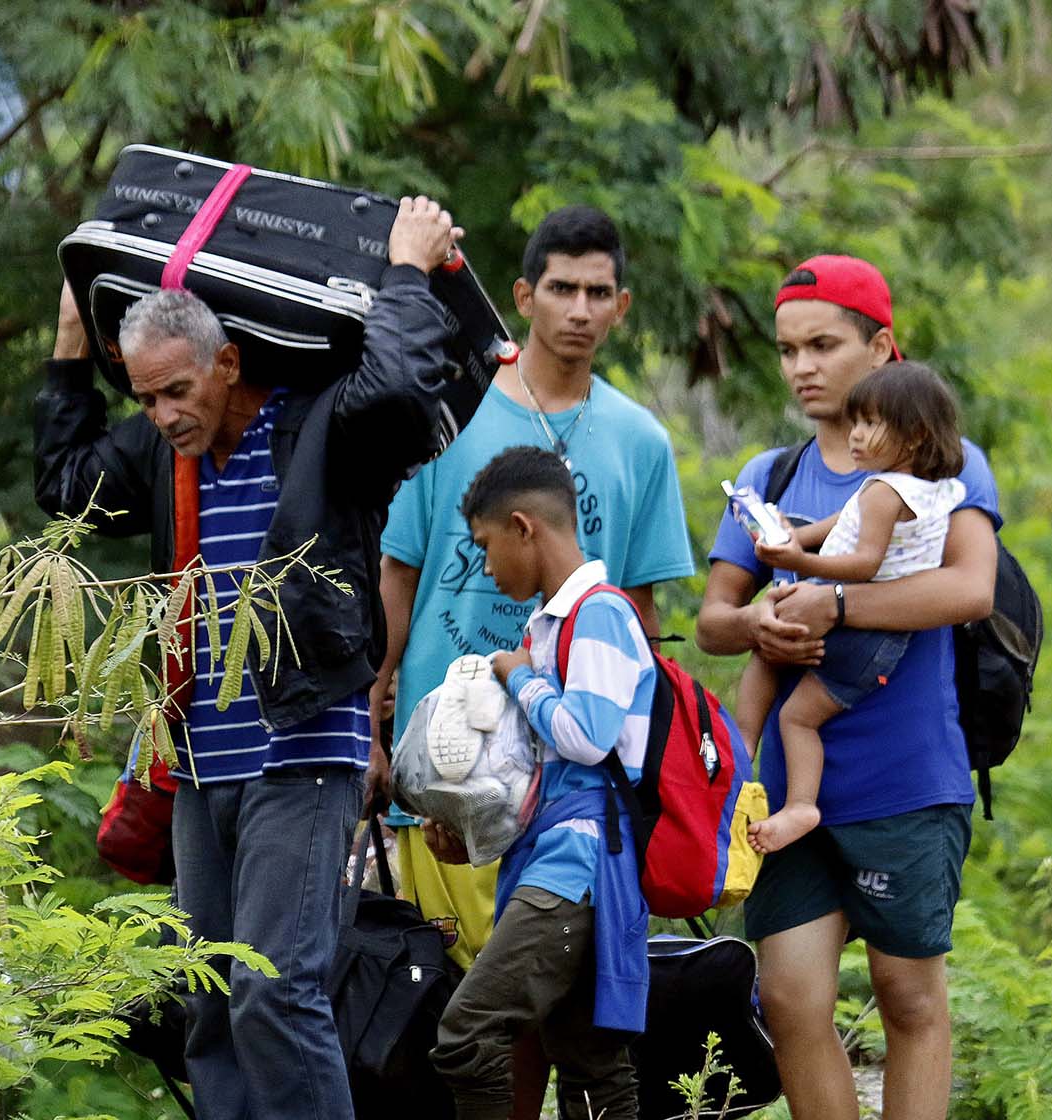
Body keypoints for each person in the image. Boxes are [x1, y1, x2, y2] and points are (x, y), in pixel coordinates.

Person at [34, 197, 461, 1120]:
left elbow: (397, 391)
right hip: (198, 763)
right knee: (210, 1003)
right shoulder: (166, 456)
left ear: (228, 362)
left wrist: (408, 271)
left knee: (276, 992)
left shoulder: (317, 428)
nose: (162, 413)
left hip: (301, 750)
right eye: (144, 396)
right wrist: (72, 338)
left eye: (177, 391)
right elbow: (64, 486)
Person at [366, 204, 693, 1110]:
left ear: (621, 306)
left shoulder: (641, 443)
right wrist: (375, 718)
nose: (580, 309)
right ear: (523, 295)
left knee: (535, 1026)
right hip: (450, 768)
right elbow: (397, 573)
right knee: (469, 1007)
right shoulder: (447, 419)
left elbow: (645, 633)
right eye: (561, 288)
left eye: (599, 292)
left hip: (569, 805)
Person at [695, 255, 999, 1120]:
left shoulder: (946, 463)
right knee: (791, 1004)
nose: (803, 368)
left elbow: (969, 587)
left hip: (905, 778)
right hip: (790, 792)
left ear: (882, 348)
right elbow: (716, 617)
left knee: (909, 1000)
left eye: (824, 345)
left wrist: (833, 600)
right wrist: (759, 623)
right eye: (789, 350)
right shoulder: (772, 477)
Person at [422, 446, 649, 1120]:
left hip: (578, 869)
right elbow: (540, 773)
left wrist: (516, 674)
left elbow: (586, 736)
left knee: (466, 1035)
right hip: (554, 858)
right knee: (589, 1066)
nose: (487, 567)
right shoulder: (549, 627)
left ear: (524, 527)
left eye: (487, 546)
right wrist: (472, 837)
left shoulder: (601, 613)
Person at [735, 361, 968, 853]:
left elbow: (864, 562)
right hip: (881, 637)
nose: (855, 435)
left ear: (915, 435)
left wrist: (798, 559)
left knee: (789, 701)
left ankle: (753, 763)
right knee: (789, 691)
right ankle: (764, 771)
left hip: (858, 631)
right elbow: (837, 524)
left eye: (870, 424)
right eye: (855, 422)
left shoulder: (885, 493)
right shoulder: (929, 490)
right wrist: (794, 535)